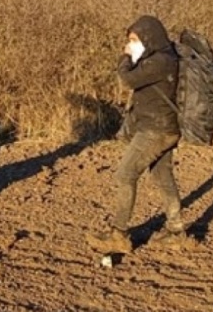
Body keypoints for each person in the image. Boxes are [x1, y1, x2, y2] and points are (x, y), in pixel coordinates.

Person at [87, 15, 185, 254]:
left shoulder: (159, 61)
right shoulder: (165, 57)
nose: (131, 44)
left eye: (134, 40)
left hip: (155, 130)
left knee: (124, 175)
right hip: (165, 128)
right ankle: (176, 230)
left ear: (149, 37)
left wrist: (125, 57)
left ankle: (118, 234)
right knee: (163, 176)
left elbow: (127, 80)